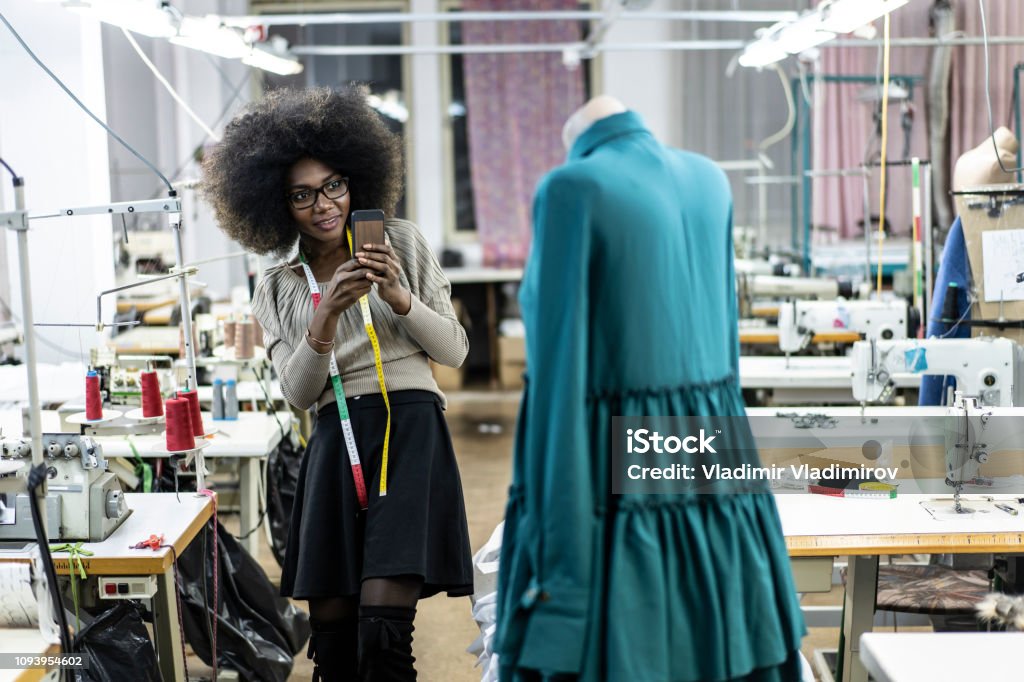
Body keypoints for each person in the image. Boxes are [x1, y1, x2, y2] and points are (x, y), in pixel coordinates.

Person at [494, 96, 806, 681]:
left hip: (608, 464)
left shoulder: (570, 190)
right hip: (712, 451)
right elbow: (728, 355)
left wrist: (559, 565)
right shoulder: (709, 180)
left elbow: (559, 380)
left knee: (634, 643)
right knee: (716, 635)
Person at [201, 85, 473, 682]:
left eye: (334, 186)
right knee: (333, 633)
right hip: (335, 436)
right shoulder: (277, 284)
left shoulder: (400, 243)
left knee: (383, 626)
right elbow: (298, 394)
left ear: (355, 181)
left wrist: (400, 299)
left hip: (410, 431)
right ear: (277, 205)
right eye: (302, 195)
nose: (324, 205)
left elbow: (452, 350)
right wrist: (323, 318)